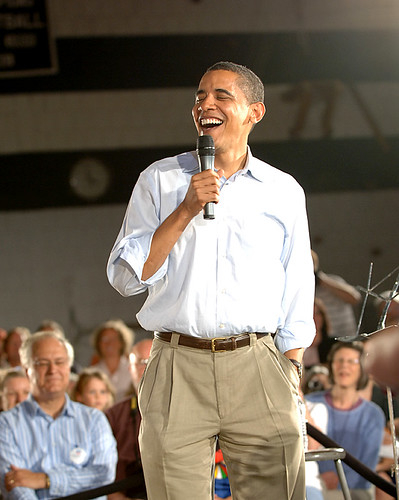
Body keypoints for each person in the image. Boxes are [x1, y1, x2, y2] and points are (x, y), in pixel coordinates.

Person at [107, 60, 315, 500]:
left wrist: (291, 364)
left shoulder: (283, 190)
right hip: (176, 364)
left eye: (222, 96)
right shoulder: (159, 180)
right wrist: (184, 209)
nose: (206, 104)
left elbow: (297, 281)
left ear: (254, 113)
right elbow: (127, 278)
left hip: (260, 362)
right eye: (200, 96)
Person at [0, 330, 117, 499]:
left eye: (59, 362)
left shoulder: (94, 420)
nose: (52, 370)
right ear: (27, 370)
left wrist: (46, 480)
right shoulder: (6, 424)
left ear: (69, 367)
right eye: (42, 363)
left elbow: (104, 474)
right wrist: (78, 478)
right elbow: (15, 487)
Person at [306, 341, 385, 500]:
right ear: (331, 365)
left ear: (362, 368)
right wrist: (323, 475)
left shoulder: (373, 414)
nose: (344, 366)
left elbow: (367, 466)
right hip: (312, 484)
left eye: (351, 361)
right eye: (339, 360)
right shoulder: (309, 404)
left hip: (354, 490)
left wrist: (339, 482)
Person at [105, 339, 153, 500]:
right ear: (130, 368)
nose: (148, 369)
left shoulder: (186, 411)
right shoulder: (114, 416)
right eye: (142, 362)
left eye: (153, 360)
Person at [312, 251, 361, 339]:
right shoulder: (302, 289)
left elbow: (355, 298)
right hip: (323, 339)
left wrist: (322, 280)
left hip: (346, 336)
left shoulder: (333, 281)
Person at [90, 319, 134, 402]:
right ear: (98, 343)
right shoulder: (93, 372)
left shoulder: (134, 369)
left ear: (122, 342)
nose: (109, 343)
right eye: (104, 339)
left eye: (114, 339)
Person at [303, 298, 335, 368]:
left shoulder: (333, 345)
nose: (314, 317)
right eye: (310, 314)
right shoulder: (294, 344)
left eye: (317, 313)